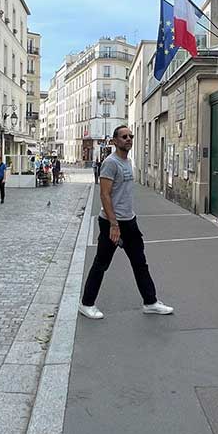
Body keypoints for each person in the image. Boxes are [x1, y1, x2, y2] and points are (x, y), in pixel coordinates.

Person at [79, 125, 173, 319]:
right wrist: (114, 224)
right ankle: (86, 304)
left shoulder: (127, 161)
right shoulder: (110, 163)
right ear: (115, 141)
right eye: (124, 137)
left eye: (130, 136)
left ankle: (150, 302)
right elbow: (104, 195)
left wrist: (127, 218)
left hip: (130, 221)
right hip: (112, 223)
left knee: (140, 263)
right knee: (101, 263)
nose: (129, 139)